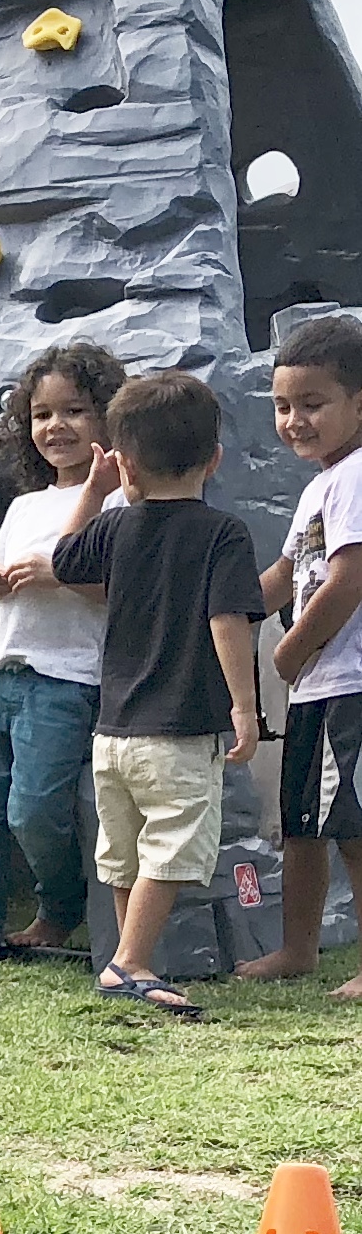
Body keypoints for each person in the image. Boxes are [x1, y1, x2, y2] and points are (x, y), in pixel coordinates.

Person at [51, 371, 265, 1018]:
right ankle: (131, 961)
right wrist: (243, 708)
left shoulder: (115, 527)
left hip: (111, 732)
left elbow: (63, 560)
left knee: (126, 855)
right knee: (171, 852)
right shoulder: (221, 534)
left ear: (123, 464)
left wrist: (93, 492)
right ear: (214, 459)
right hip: (176, 733)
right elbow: (226, 620)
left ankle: (129, 960)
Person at [0, 342, 126, 966]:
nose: (57, 426)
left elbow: (122, 595)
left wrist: (58, 575)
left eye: (74, 410)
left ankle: (59, 908)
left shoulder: (123, 501)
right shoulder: (24, 505)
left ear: (108, 416)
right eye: (42, 415)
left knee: (35, 810)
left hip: (65, 680)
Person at [234, 315, 362, 997]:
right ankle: (297, 948)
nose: (293, 421)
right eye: (282, 406)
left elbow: (346, 578)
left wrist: (287, 650)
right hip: (320, 686)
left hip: (349, 682)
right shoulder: (319, 484)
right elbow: (286, 573)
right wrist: (224, 614)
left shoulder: (357, 476)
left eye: (311, 404)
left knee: (354, 827)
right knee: (301, 824)